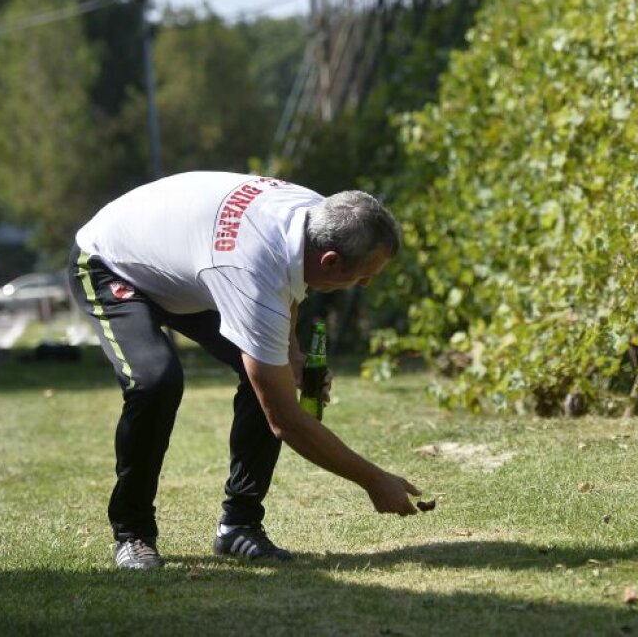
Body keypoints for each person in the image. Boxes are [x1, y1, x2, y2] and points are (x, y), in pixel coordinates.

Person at [67, 172, 421, 570]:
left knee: (270, 374)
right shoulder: (253, 271)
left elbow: (288, 285)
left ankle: (239, 525)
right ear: (331, 261)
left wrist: (291, 354)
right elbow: (284, 419)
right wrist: (373, 479)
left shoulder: (319, 216)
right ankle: (132, 533)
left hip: (193, 268)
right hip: (112, 262)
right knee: (156, 382)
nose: (367, 283)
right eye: (363, 276)